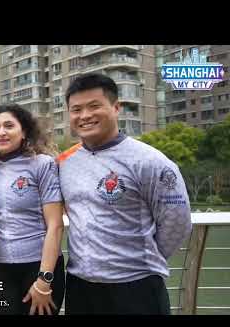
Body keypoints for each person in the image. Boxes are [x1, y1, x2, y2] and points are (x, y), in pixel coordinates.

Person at [58, 73, 192, 314]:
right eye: (76, 109)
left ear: (116, 107)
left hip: (136, 288)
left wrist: (138, 261)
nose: (85, 115)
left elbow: (177, 222)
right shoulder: (67, 163)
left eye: (94, 106)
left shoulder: (150, 161)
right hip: (80, 286)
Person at [0, 104, 65, 315]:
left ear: (24, 132)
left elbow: (56, 225)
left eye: (8, 126)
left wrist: (44, 280)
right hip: (1, 268)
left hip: (40, 267)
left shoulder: (42, 164)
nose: (1, 132)